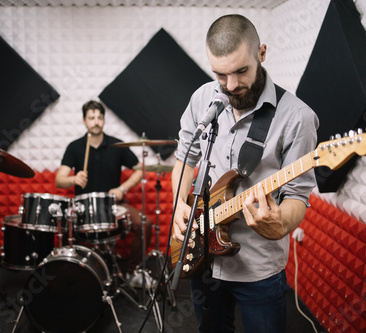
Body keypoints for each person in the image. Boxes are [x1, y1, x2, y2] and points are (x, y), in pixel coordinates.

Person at [172, 15, 319, 332]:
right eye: (220, 74)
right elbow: (185, 157)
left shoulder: (298, 117)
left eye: (241, 71)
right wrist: (179, 207)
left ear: (261, 53)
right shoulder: (203, 98)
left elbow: (296, 196)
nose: (232, 86)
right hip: (204, 258)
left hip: (258, 267)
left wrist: (280, 225)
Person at [55, 100, 152, 288]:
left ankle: (132, 272)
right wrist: (73, 180)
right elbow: (59, 180)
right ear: (84, 121)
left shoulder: (117, 145)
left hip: (114, 205)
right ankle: (71, 274)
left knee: (144, 224)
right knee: (64, 229)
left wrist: (121, 189)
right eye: (91, 118)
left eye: (100, 117)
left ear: (104, 120)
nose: (96, 121)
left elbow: (140, 169)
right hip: (83, 208)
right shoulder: (75, 147)